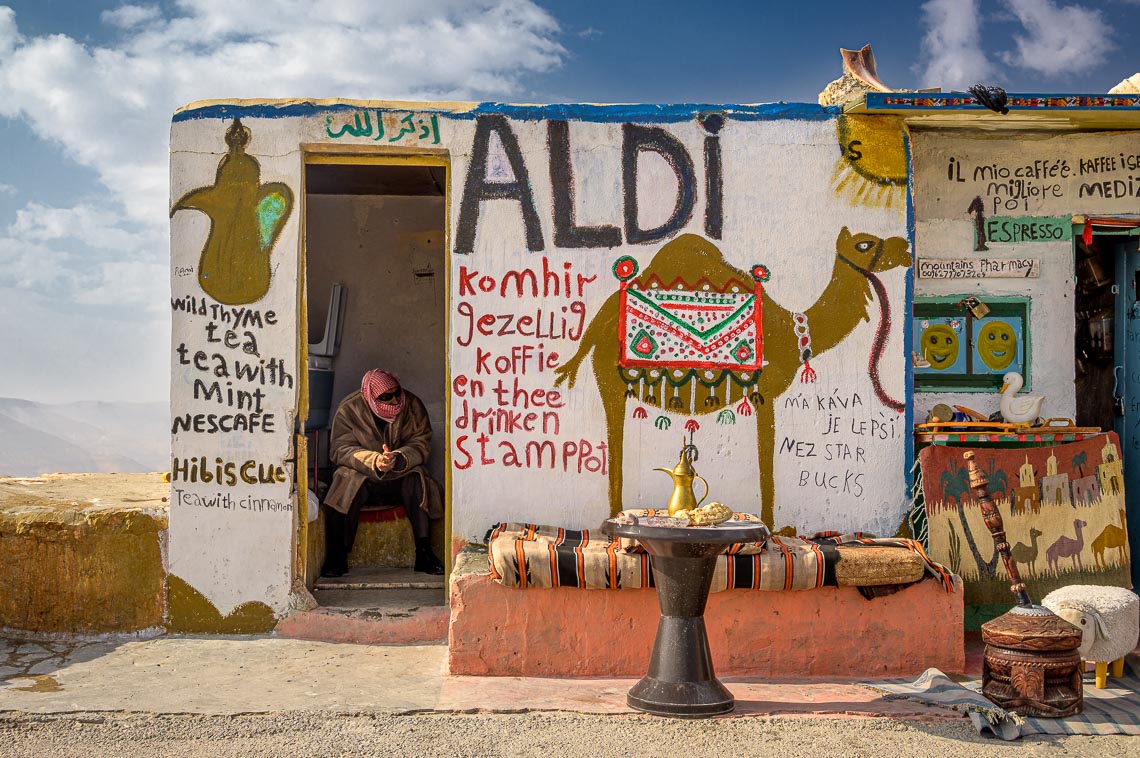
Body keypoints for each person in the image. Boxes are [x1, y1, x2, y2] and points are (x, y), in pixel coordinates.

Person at [322, 369, 445, 576]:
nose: (394, 400)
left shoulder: (412, 405)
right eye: (386, 397)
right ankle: (337, 556)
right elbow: (340, 450)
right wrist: (375, 461)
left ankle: (424, 552)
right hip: (365, 476)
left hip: (400, 473)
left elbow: (421, 442)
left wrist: (397, 458)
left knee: (418, 477)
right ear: (371, 397)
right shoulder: (349, 409)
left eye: (397, 393)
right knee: (345, 479)